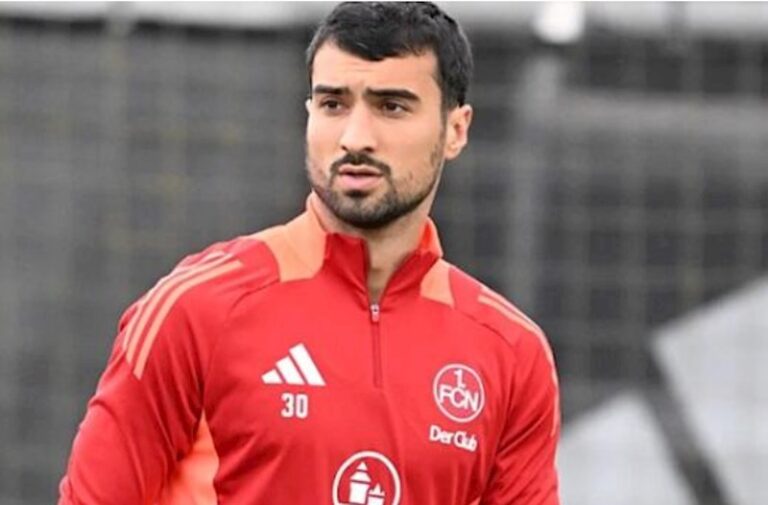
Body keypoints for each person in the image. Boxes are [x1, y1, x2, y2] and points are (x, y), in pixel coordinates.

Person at [59, 2, 560, 504]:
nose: (355, 138)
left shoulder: (512, 353)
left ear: (456, 130)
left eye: (391, 106)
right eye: (334, 104)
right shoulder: (195, 308)